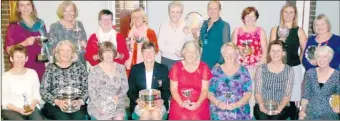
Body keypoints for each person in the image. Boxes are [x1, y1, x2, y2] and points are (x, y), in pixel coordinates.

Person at [269, 3, 307, 120]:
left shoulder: (299, 31)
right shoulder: (275, 29)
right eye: (286, 12)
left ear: (295, 14)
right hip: (277, 69)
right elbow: (270, 50)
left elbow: (305, 49)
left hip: (294, 68)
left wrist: (299, 61)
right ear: (282, 14)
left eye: (291, 12)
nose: (288, 14)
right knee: (278, 96)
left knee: (293, 99)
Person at [232, 6, 267, 118]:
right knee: (239, 90)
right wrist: (240, 52)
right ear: (243, 18)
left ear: (256, 18)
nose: (250, 19)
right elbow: (232, 49)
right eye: (248, 16)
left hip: (255, 67)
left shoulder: (260, 31)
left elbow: (265, 51)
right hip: (240, 67)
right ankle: (237, 112)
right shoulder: (237, 30)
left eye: (253, 16)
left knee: (251, 92)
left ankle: (251, 115)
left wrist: (258, 68)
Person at [40, 40, 88, 120]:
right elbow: (43, 90)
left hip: (76, 102)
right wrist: (57, 102)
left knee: (79, 117)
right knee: (63, 118)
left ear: (72, 53)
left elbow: (87, 87)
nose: (65, 53)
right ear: (58, 53)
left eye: (68, 50)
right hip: (55, 103)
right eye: (62, 50)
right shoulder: (51, 68)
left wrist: (80, 101)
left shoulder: (80, 66)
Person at [168, 41, 212, 120]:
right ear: (184, 53)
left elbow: (205, 90)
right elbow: (173, 89)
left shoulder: (204, 67)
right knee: (181, 117)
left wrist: (198, 104)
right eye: (188, 52)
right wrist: (182, 103)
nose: (190, 55)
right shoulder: (176, 67)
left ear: (197, 54)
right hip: (179, 101)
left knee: (197, 117)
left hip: (199, 101)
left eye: (193, 52)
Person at [208, 42, 252, 120]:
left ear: (236, 54)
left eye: (232, 53)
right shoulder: (215, 71)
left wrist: (236, 104)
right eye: (227, 53)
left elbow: (248, 93)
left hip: (239, 109)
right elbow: (209, 92)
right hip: (219, 109)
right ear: (223, 54)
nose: (229, 56)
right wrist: (218, 103)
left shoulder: (243, 71)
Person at [127, 42, 170, 120]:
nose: (148, 54)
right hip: (140, 103)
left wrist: (162, 100)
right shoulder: (135, 69)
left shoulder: (163, 69)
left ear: (155, 53)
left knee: (155, 114)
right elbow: (130, 90)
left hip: (158, 104)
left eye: (151, 51)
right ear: (142, 53)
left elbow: (167, 90)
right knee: (146, 114)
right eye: (145, 52)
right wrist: (137, 100)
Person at [5, 0, 46, 81]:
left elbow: (45, 43)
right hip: (22, 63)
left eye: (28, 4)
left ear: (32, 7)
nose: (25, 8)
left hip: (39, 63)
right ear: (18, 8)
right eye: (22, 5)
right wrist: (24, 43)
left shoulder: (40, 23)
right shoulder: (14, 26)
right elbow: (9, 50)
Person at [253, 40, 294, 120]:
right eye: (273, 51)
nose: (275, 53)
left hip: (281, 106)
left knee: (276, 118)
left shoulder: (289, 70)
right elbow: (257, 92)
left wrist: (279, 108)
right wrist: (261, 106)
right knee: (263, 118)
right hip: (262, 105)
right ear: (269, 53)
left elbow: (287, 95)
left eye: (278, 51)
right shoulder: (261, 69)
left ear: (283, 53)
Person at [87, 41, 128, 120]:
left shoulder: (121, 68)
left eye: (110, 52)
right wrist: (101, 106)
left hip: (117, 102)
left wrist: (118, 97)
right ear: (101, 54)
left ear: (114, 53)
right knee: (107, 118)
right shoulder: (94, 70)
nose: (108, 55)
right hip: (99, 103)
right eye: (105, 52)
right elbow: (92, 91)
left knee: (119, 118)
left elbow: (125, 87)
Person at [1, 45, 44, 120]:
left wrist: (32, 106)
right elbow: (4, 102)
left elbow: (37, 95)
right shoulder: (5, 77)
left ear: (26, 58)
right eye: (17, 57)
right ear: (11, 59)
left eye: (22, 57)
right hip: (12, 109)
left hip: (31, 107)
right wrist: (18, 110)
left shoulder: (32, 73)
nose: (20, 60)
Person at [299, 46, 340, 120]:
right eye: (318, 57)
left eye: (325, 57)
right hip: (310, 113)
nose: (321, 60)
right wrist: (302, 110)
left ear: (330, 58)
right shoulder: (310, 73)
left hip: (329, 114)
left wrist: (338, 107)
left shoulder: (337, 75)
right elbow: (305, 96)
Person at [48, 1, 87, 67]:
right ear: (61, 13)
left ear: (75, 12)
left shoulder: (79, 24)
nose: (69, 14)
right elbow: (51, 49)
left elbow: (84, 42)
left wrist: (84, 45)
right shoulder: (55, 26)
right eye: (65, 11)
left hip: (79, 62)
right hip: (63, 64)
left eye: (71, 11)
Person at [158, 1, 194, 70]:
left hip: (182, 61)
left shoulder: (186, 25)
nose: (175, 14)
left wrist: (188, 34)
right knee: (167, 81)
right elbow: (160, 46)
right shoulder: (164, 26)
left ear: (181, 13)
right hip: (166, 61)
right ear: (169, 12)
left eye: (178, 12)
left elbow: (191, 45)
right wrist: (174, 51)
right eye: (172, 12)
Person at [125, 8, 159, 75]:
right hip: (130, 66)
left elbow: (156, 50)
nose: (136, 19)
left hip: (145, 65)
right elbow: (126, 49)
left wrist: (147, 44)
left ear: (143, 18)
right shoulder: (129, 32)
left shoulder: (150, 32)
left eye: (139, 17)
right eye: (134, 17)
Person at [199, 1, 231, 69]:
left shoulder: (224, 25)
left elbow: (227, 46)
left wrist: (220, 62)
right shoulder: (203, 24)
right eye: (210, 8)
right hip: (203, 61)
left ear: (219, 10)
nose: (212, 11)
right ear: (207, 10)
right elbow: (200, 43)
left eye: (215, 9)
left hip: (217, 64)